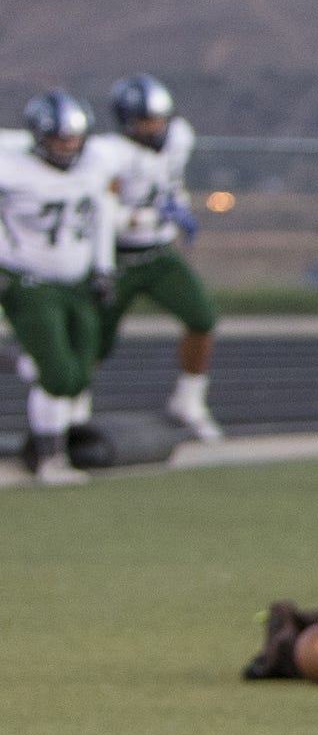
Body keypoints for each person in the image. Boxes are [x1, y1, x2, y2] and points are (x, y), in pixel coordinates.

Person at [2, 92, 121, 484]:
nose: (68, 147)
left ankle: (54, 438)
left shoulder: (94, 165)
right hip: (31, 283)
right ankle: (50, 458)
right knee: (57, 374)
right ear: (38, 137)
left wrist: (105, 268)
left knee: (79, 371)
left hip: (77, 283)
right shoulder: (12, 166)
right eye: (59, 139)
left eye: (73, 139)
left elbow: (103, 217)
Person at [98, 75, 223, 441]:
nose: (156, 127)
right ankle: (73, 413)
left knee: (202, 318)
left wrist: (177, 208)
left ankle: (189, 402)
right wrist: (150, 216)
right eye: (146, 121)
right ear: (126, 121)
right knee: (95, 343)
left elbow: (172, 184)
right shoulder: (109, 154)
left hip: (158, 254)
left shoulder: (179, 137)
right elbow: (105, 214)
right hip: (118, 257)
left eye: (160, 119)